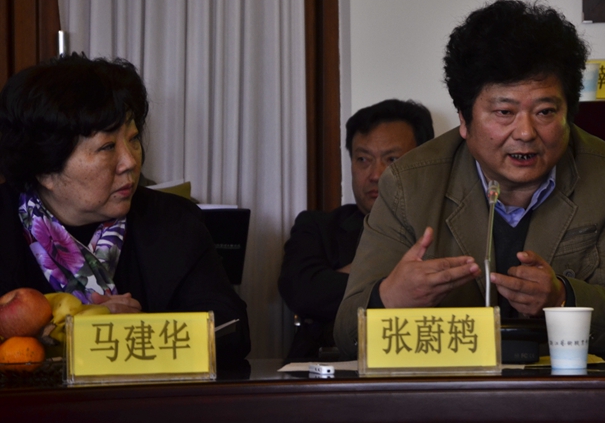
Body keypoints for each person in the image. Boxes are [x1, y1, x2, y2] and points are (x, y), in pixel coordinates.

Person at [334, 0, 605, 358]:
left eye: (545, 112)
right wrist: (390, 299)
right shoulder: (409, 184)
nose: (526, 132)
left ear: (568, 113)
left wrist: (561, 298)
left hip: (563, 387)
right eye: (504, 112)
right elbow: (346, 332)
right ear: (464, 118)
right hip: (451, 388)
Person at [0, 55, 250, 363]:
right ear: (45, 170)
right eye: (107, 147)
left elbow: (233, 331)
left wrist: (136, 331)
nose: (130, 161)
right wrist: (80, 329)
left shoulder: (173, 221)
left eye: (133, 140)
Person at [278, 99, 434, 361]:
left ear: (425, 161)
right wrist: (396, 283)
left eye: (392, 159)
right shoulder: (318, 227)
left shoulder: (446, 226)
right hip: (329, 370)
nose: (375, 175)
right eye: (363, 159)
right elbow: (302, 291)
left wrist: (349, 276)